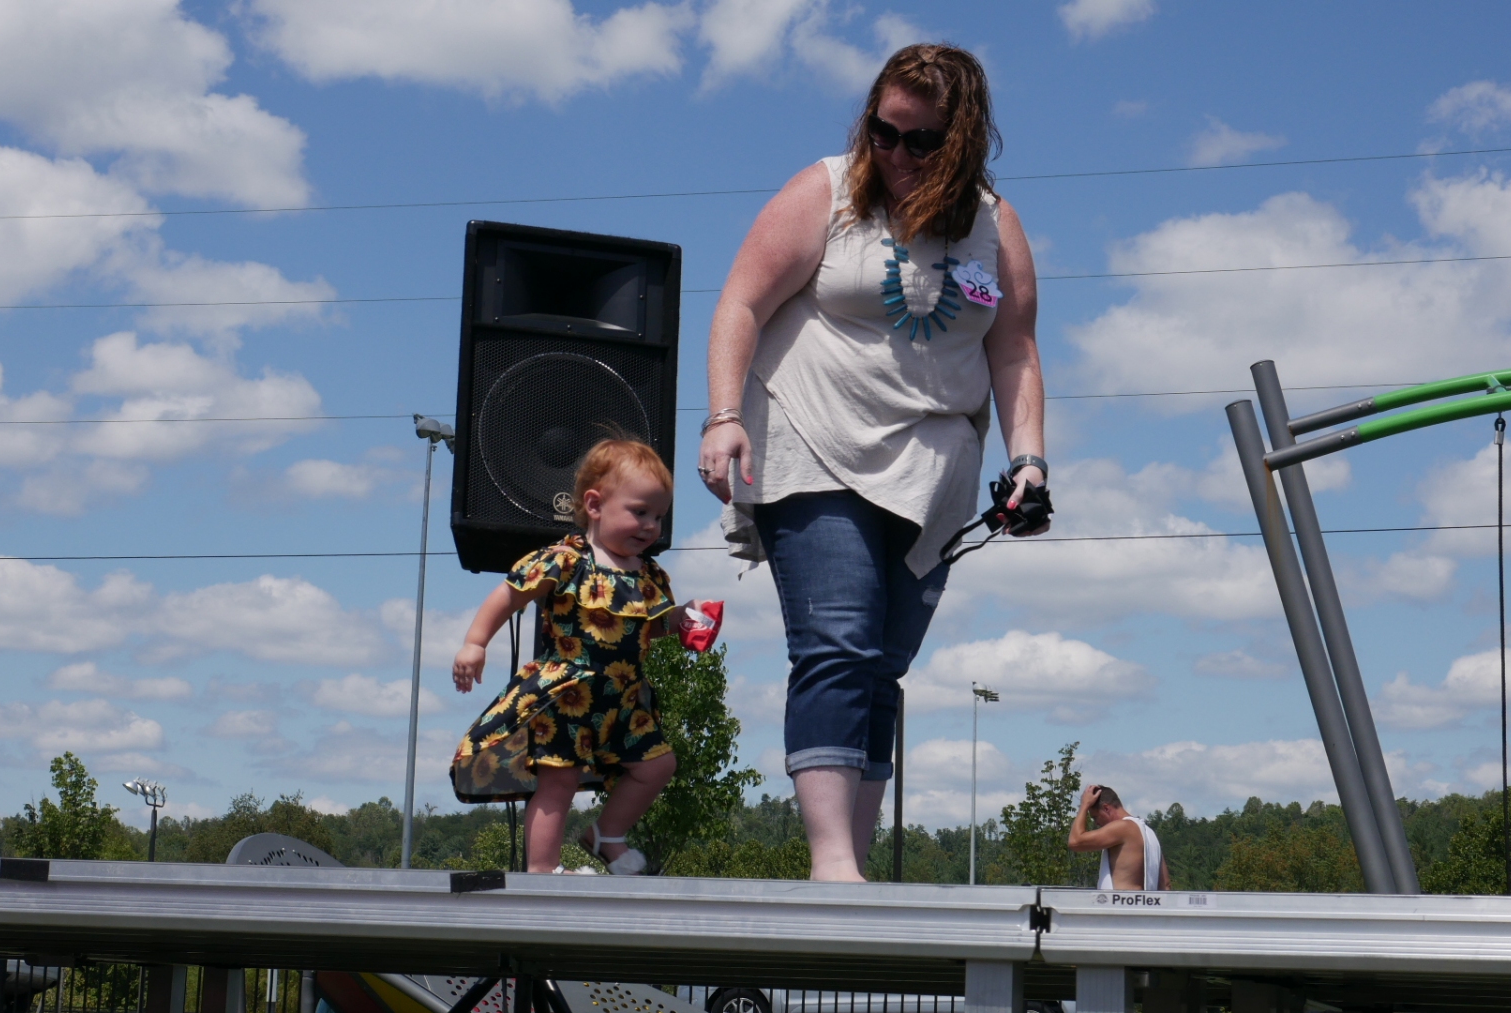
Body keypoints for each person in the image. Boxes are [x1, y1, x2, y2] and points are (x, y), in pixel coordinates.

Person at [697, 43, 1048, 881]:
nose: (896, 154)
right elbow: (740, 301)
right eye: (883, 132)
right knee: (839, 642)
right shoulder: (824, 191)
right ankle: (831, 863)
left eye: (921, 141)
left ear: (963, 141)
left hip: (932, 474)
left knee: (883, 664)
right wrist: (722, 417)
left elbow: (1014, 350)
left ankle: (851, 862)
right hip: (815, 439)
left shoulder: (993, 226)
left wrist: (1030, 461)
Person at [449, 439, 711, 875]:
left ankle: (607, 833)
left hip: (624, 698)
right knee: (559, 779)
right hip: (570, 694)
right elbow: (509, 595)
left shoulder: (648, 575)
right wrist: (475, 643)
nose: (651, 526)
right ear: (594, 505)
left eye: (659, 516)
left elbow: (648, 626)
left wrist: (684, 619)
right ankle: (542, 869)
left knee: (658, 765)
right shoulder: (567, 561)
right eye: (640, 512)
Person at [1067, 784, 1170, 891]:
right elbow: (1166, 885)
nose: (1096, 823)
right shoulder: (1149, 833)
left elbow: (1075, 842)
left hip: (1121, 901)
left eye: (1095, 817)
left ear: (1106, 808)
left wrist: (1084, 805)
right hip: (1147, 901)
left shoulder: (1123, 827)